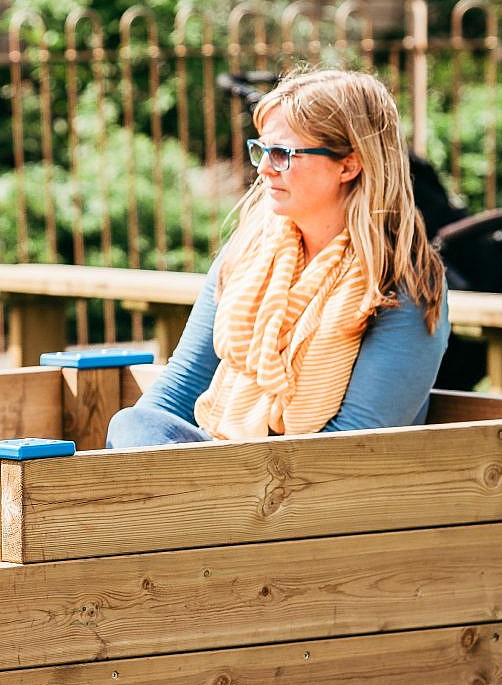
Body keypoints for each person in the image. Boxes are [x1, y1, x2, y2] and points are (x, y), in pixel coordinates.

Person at [107, 68, 450, 447]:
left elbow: (354, 442)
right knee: (134, 424)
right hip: (230, 471)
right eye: (262, 150)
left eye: (283, 154)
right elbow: (181, 388)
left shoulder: (400, 282)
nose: (265, 168)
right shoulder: (246, 253)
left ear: (348, 165)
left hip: (325, 490)